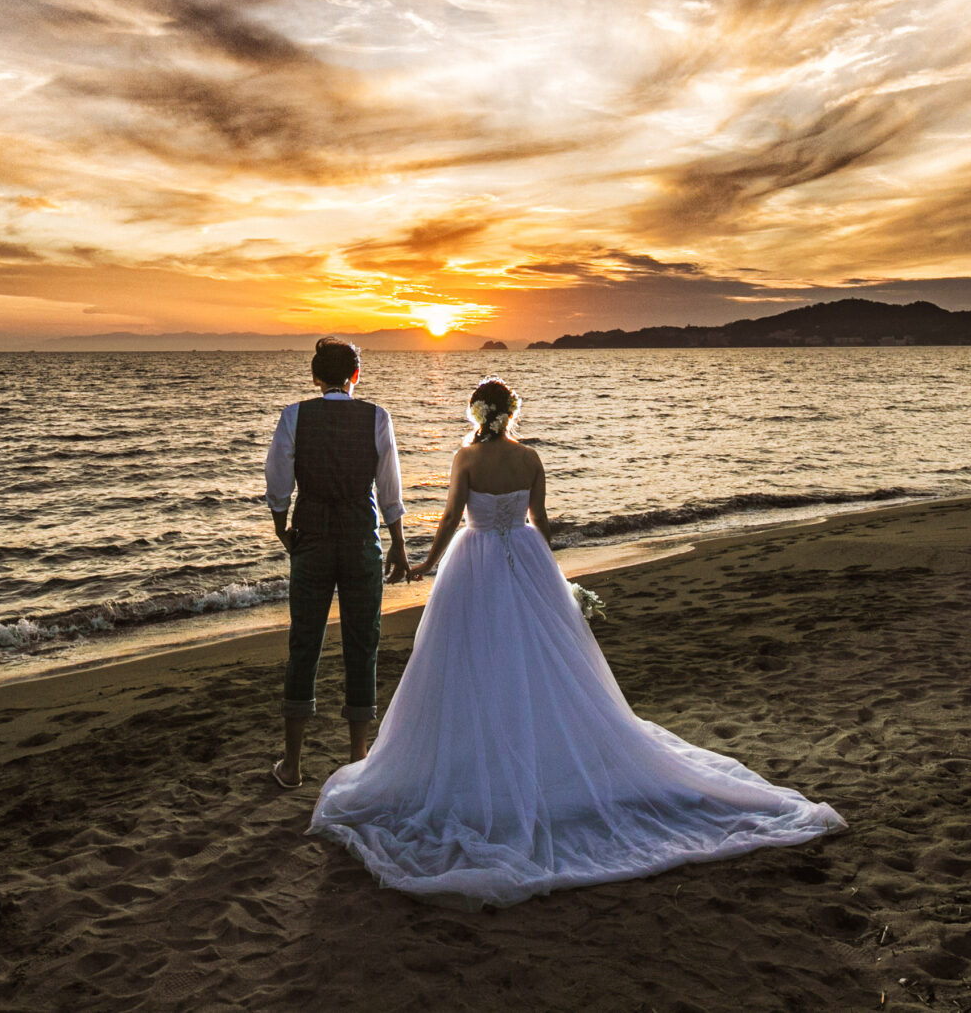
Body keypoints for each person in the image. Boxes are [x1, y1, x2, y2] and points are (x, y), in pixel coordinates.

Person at [308, 378, 842, 904]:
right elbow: (540, 522)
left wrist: (427, 560)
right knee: (536, 661)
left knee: (470, 660)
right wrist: (549, 576)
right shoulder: (532, 459)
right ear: (510, 413)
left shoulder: (466, 458)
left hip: (474, 563)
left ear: (478, 414)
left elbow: (450, 516)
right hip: (525, 554)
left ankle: (485, 763)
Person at [263, 336, 408, 788]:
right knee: (361, 645)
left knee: (303, 645)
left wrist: (280, 524)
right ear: (355, 376)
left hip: (311, 539)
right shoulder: (376, 418)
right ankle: (358, 759)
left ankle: (292, 764)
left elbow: (278, 477)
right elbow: (389, 490)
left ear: (315, 376)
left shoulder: (295, 415)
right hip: (360, 540)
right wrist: (399, 543)